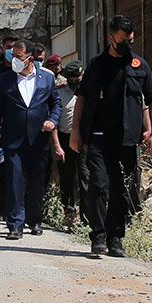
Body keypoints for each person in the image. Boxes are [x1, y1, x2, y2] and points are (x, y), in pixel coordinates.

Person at [69, 16, 152, 259]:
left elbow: (151, 99)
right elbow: (82, 98)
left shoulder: (139, 65)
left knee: (121, 190)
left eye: (130, 40)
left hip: (127, 138)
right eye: (122, 40)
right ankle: (98, 236)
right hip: (98, 136)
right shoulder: (96, 64)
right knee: (98, 185)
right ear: (111, 37)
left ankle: (115, 238)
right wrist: (76, 132)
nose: (126, 45)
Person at [0, 38, 61, 240]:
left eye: (19, 57)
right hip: (13, 140)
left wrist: (52, 120)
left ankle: (35, 220)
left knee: (37, 182)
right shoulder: (5, 80)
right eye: (13, 56)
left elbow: (56, 104)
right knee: (14, 181)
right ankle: (15, 224)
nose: (14, 60)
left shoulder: (46, 78)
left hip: (38, 139)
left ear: (30, 58)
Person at [53, 60, 87, 228]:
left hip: (84, 140)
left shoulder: (88, 91)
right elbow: (54, 120)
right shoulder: (59, 93)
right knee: (67, 177)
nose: (75, 80)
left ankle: (86, 216)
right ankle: (69, 212)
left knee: (85, 175)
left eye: (78, 77)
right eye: (72, 78)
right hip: (65, 139)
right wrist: (57, 145)